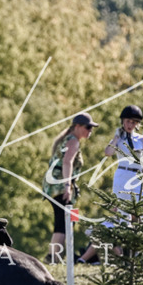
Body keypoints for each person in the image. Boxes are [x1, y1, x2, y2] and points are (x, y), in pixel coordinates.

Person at [76, 104, 143, 262]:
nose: (130, 125)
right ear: (123, 122)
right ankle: (127, 256)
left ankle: (142, 252)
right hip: (122, 176)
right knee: (124, 218)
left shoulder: (142, 139)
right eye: (128, 122)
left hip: (137, 177)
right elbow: (108, 153)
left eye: (133, 122)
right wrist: (116, 137)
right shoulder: (119, 139)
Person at [43, 112, 98, 263]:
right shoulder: (73, 141)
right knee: (65, 221)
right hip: (61, 185)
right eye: (88, 127)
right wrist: (67, 186)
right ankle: (53, 258)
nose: (90, 131)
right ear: (77, 126)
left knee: (67, 220)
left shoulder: (68, 139)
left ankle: (53, 256)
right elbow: (67, 162)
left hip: (55, 185)